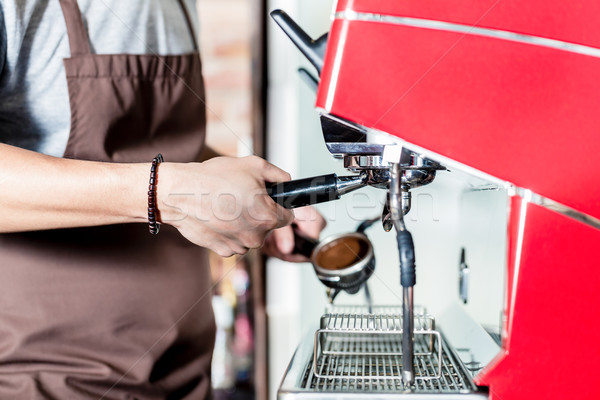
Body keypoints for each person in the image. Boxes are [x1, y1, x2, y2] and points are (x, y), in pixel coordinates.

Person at [0, 1, 325, 398]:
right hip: (46, 377)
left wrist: (239, 199)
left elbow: (156, 150)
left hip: (184, 373)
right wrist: (165, 193)